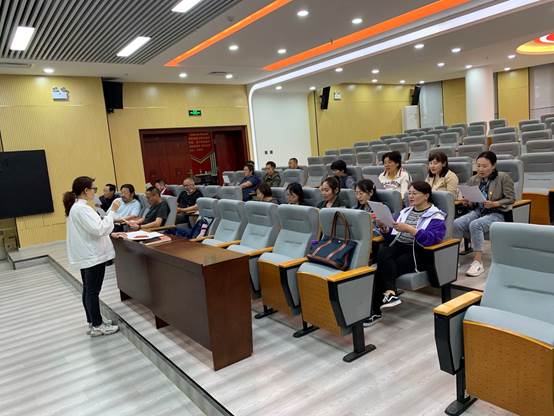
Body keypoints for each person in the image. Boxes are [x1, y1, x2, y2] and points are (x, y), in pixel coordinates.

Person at [369, 181, 446, 326]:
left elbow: (432, 239)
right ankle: (390, 293)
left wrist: (410, 229)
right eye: (409, 193)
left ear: (426, 196)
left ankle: (375, 311)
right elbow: (392, 236)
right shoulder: (405, 212)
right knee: (383, 250)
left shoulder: (436, 216)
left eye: (414, 193)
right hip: (399, 245)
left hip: (418, 252)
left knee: (381, 268)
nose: (410, 196)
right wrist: (384, 227)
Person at [64, 176, 120, 337]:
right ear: (86, 190)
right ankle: (97, 325)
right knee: (92, 292)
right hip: (92, 256)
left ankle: (93, 320)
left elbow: (94, 227)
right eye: (93, 189)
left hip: (88, 255)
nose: (95, 192)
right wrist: (113, 211)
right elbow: (99, 229)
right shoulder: (82, 209)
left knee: (88, 290)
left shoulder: (78, 207)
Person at [453, 151, 515, 277]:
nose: (480, 169)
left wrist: (495, 203)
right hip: (479, 211)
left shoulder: (503, 177)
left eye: (485, 166)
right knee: (457, 223)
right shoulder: (474, 179)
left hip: (497, 213)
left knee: (476, 225)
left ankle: (478, 262)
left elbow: (511, 198)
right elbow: (472, 201)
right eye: (478, 166)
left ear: (493, 166)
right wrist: (467, 202)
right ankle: (453, 257)